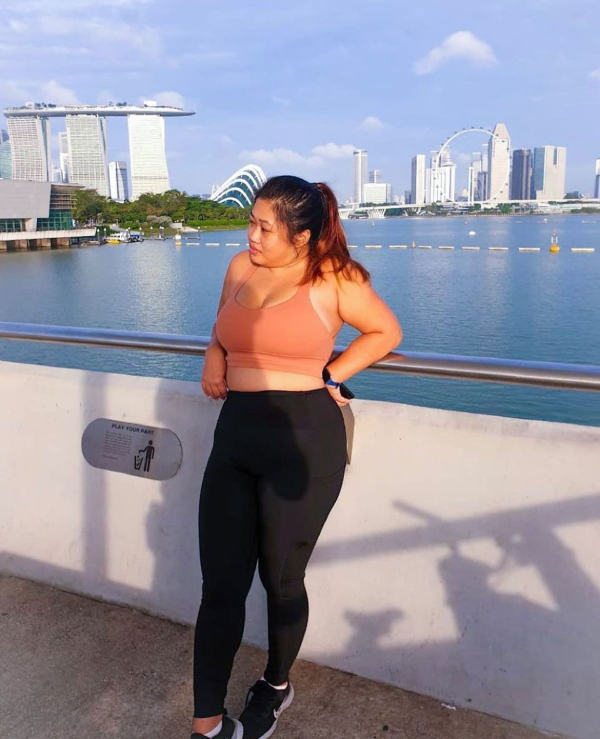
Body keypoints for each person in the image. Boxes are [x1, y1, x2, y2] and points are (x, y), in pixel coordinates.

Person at [192, 175, 402, 739]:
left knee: (281, 579)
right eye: (251, 222)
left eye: (265, 227)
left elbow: (385, 331)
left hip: (303, 442)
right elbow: (222, 328)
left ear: (302, 236)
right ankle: (207, 724)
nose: (251, 235)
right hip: (235, 436)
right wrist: (213, 353)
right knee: (220, 585)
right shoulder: (240, 267)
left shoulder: (334, 277)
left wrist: (334, 373)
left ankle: (276, 684)